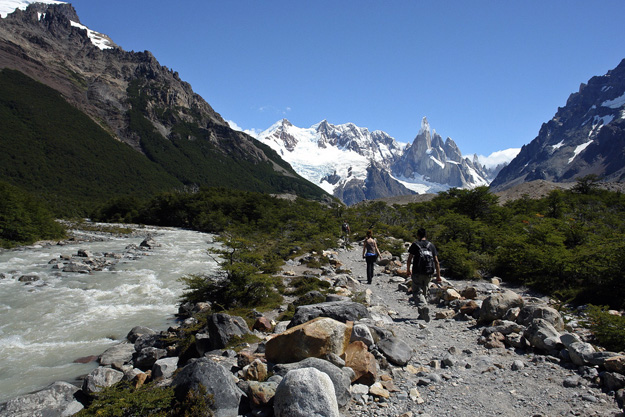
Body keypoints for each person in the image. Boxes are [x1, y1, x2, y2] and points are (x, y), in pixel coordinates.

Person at [406, 228, 441, 322]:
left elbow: (409, 259)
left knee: (417, 291)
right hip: (429, 272)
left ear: (418, 235)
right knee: (424, 291)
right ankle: (421, 315)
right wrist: (438, 275)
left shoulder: (415, 245)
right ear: (426, 235)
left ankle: (423, 307)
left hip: (417, 271)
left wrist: (408, 270)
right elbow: (436, 261)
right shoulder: (431, 245)